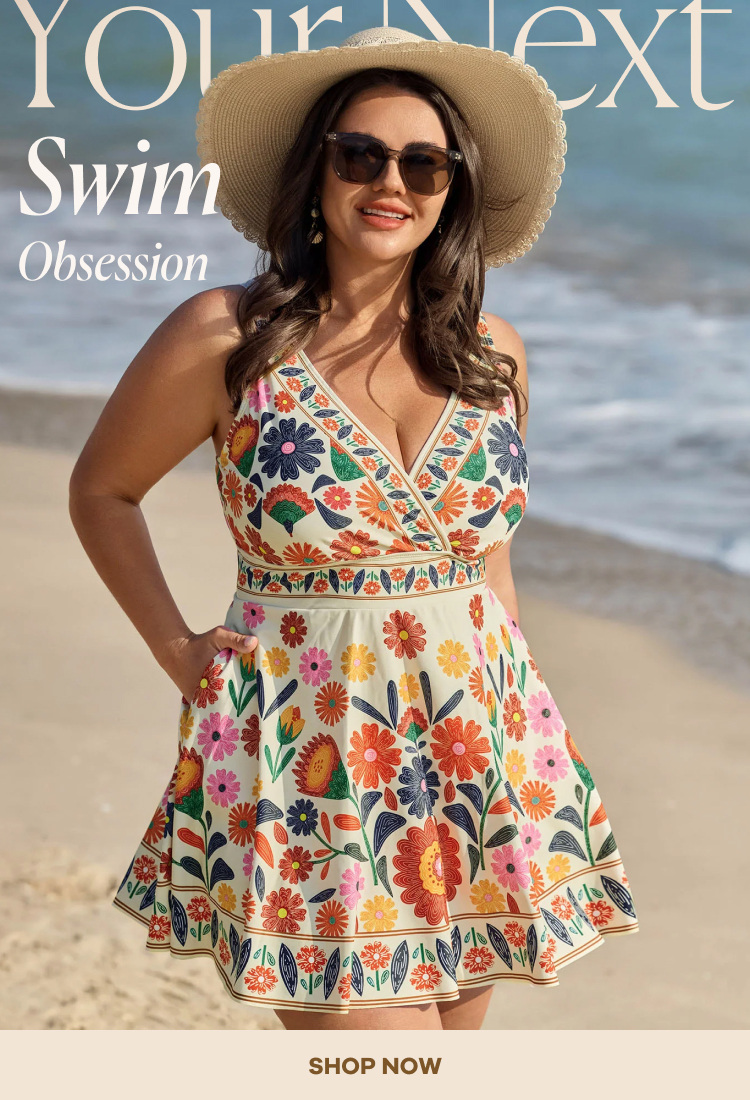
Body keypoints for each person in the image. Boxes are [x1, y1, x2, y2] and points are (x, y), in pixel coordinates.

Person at [69, 26, 638, 1031]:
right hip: (313, 760)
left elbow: (484, 555)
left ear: (452, 190)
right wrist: (185, 654)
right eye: (360, 153)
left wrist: (519, 728)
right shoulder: (228, 335)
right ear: (317, 172)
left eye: (424, 163)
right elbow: (102, 490)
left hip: (481, 744)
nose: (392, 181)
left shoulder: (491, 353)